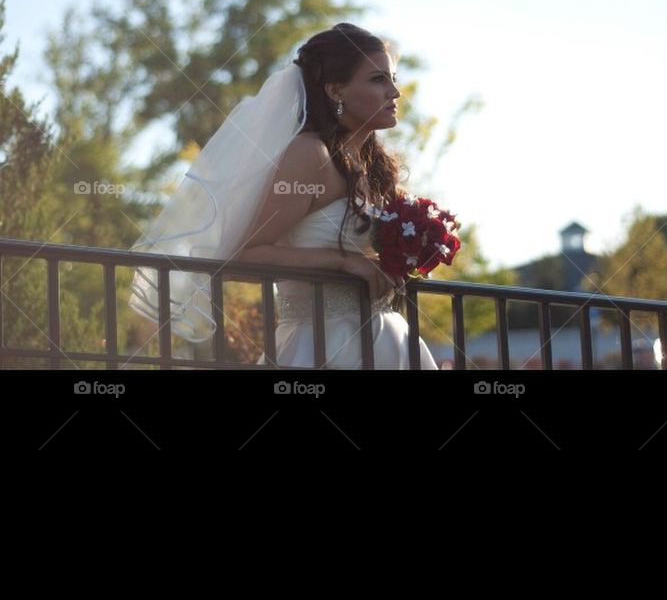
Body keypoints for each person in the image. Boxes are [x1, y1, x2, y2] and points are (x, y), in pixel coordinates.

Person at [128, 22, 438, 370]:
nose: (394, 92)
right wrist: (342, 261)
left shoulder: (371, 167)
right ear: (337, 91)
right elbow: (243, 256)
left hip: (388, 343)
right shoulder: (310, 155)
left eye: (393, 78)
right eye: (378, 79)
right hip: (323, 346)